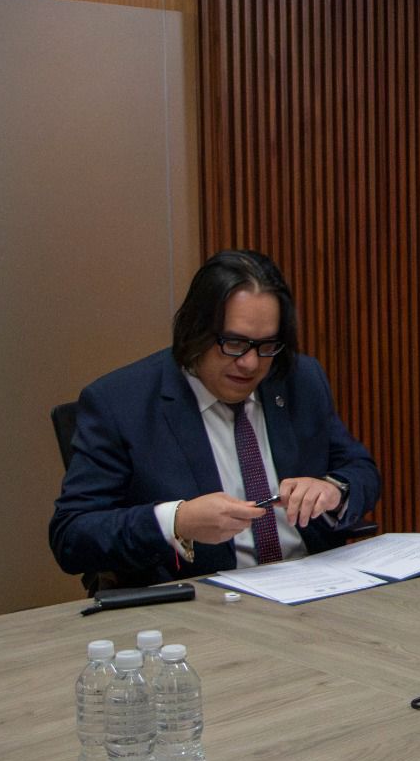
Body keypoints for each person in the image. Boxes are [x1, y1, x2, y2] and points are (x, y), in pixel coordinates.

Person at [50, 250, 381, 589]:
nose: (251, 363)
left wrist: (334, 489)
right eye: (233, 343)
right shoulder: (121, 403)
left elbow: (361, 470)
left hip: (315, 588)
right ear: (195, 330)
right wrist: (176, 522)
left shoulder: (298, 379)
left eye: (266, 345)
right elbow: (71, 535)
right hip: (200, 600)